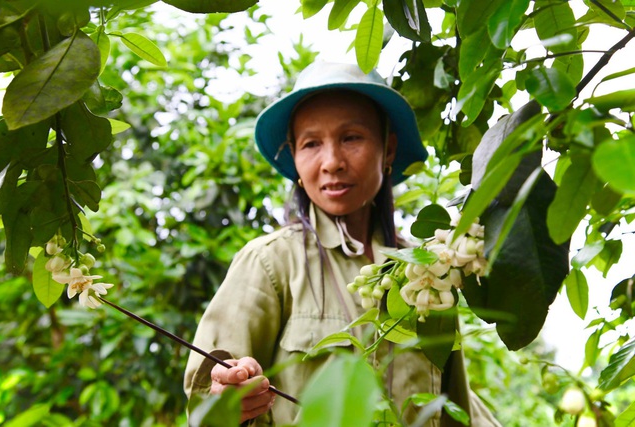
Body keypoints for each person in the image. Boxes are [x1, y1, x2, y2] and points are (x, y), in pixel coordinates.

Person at [184, 61, 501, 427]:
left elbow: (454, 406)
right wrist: (229, 394)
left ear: (389, 149)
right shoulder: (271, 262)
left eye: (351, 138)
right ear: (295, 159)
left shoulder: (427, 271)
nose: (332, 162)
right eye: (311, 144)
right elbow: (207, 395)